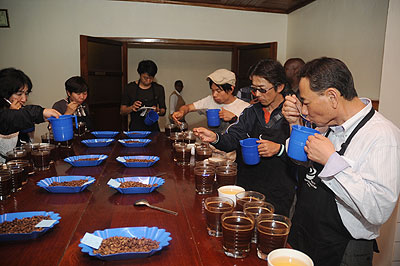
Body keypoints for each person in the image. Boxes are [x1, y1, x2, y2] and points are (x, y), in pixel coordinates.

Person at [282, 57, 400, 266]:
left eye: (307, 103)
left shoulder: (383, 136)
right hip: (305, 232)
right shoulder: (327, 124)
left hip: (342, 249)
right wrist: (294, 124)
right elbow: (300, 161)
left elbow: (378, 211)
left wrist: (331, 162)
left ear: (332, 97)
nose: (305, 111)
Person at [193, 60, 296, 216]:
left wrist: (279, 149)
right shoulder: (251, 111)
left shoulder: (293, 114)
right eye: (254, 89)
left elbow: (302, 156)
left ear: (279, 87)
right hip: (247, 186)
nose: (257, 95)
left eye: (262, 90)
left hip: (278, 189)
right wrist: (215, 138)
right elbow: (234, 137)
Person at [0, 68, 60, 161]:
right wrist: (13, 115)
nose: (24, 99)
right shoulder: (8, 116)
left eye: (26, 94)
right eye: (19, 94)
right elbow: (7, 152)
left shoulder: (22, 112)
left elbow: (27, 144)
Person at [172, 69, 249, 134]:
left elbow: (250, 131)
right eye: (212, 90)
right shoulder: (210, 100)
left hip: (232, 151)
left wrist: (234, 119)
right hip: (210, 150)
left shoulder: (244, 107)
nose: (214, 95)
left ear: (231, 89)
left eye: (218, 91)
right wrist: (181, 112)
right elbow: (188, 107)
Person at [120, 60, 166, 131]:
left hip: (153, 130)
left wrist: (158, 110)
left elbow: (163, 110)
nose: (148, 80)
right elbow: (122, 111)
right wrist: (132, 107)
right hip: (135, 129)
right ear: (140, 74)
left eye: (151, 78)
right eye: (145, 77)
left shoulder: (158, 89)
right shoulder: (130, 88)